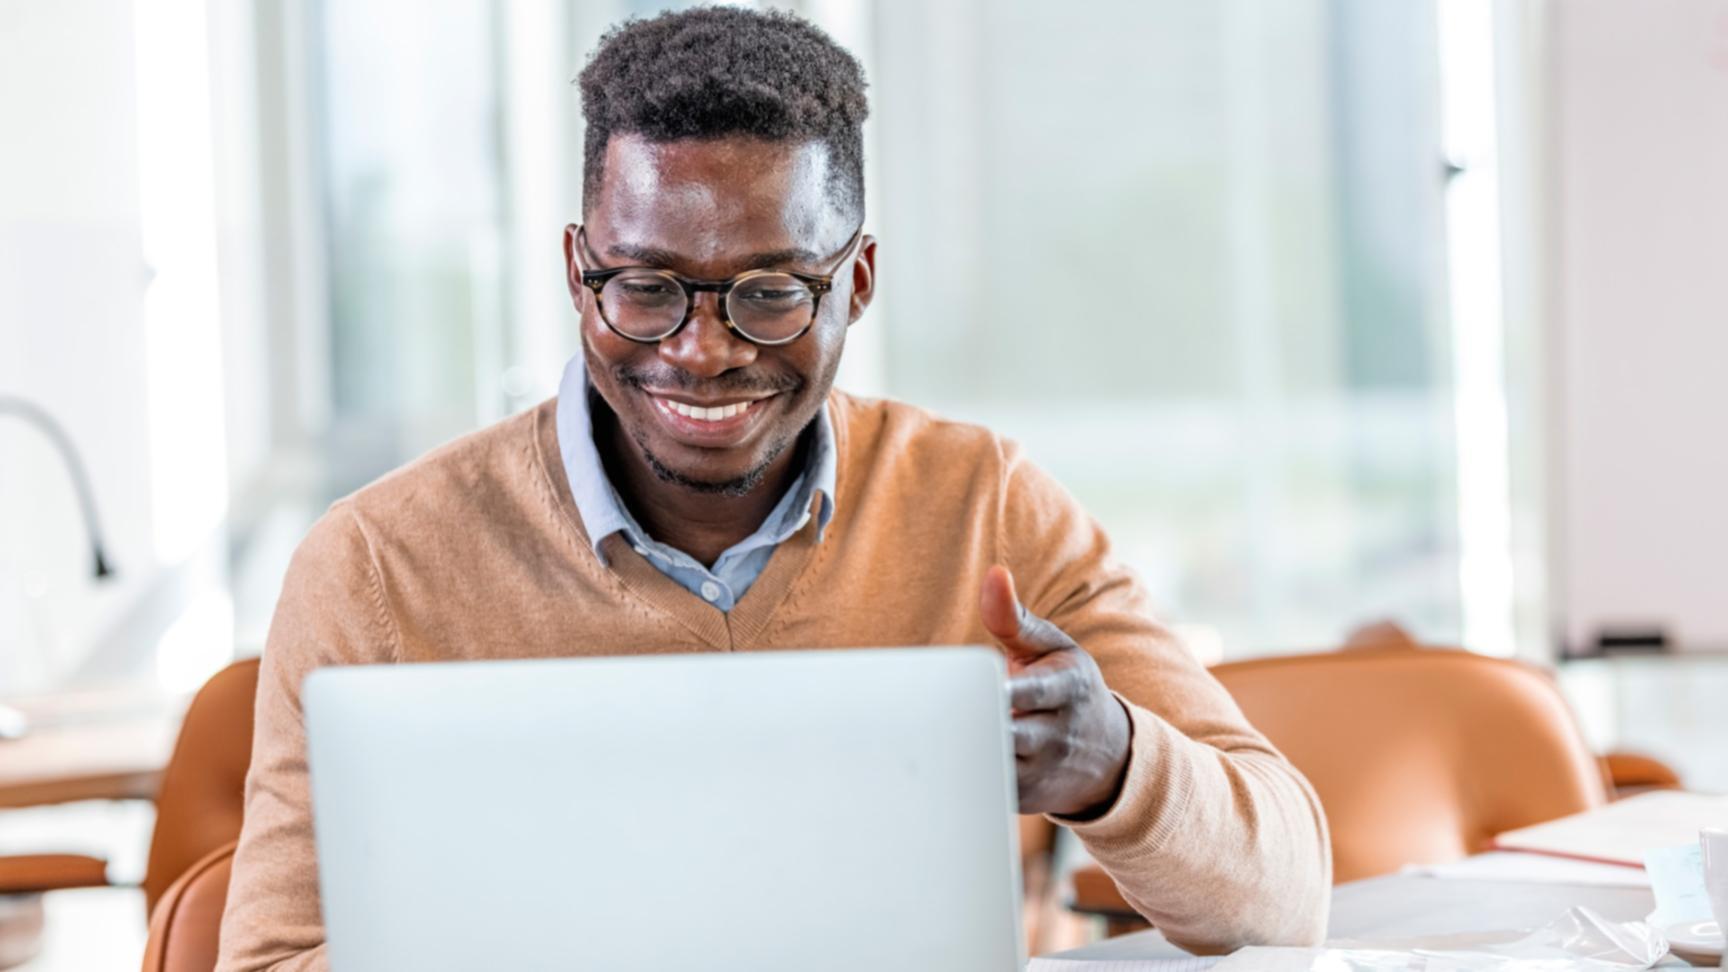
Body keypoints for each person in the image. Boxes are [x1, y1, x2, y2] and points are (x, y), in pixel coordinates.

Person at [217, 8, 1329, 969]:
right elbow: (270, 961)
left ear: (859, 280)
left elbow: (1285, 897)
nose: (701, 353)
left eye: (771, 293)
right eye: (646, 288)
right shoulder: (378, 563)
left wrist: (1119, 765)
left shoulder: (980, 501)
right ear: (576, 270)